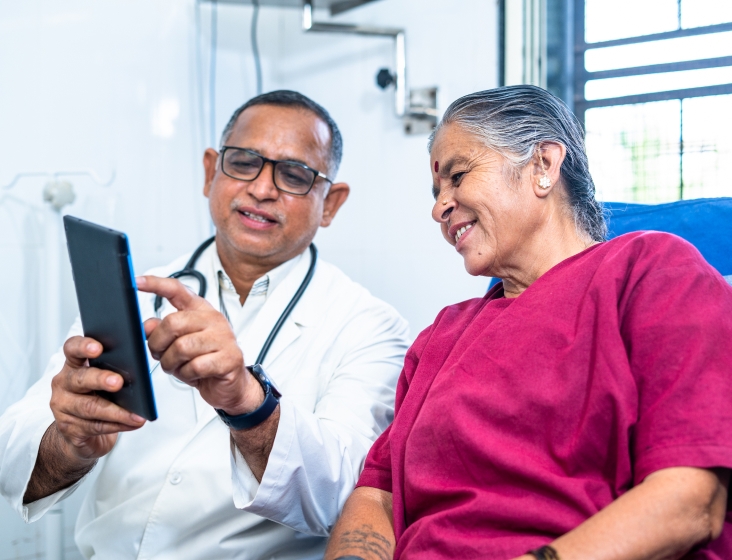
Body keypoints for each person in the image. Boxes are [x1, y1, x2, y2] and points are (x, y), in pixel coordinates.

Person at [324, 85, 732, 560]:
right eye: (437, 193)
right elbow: (377, 494)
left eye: (457, 176)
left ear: (543, 165)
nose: (438, 208)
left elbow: (690, 500)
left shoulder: (651, 271)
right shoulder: (440, 337)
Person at [0, 90, 410, 559]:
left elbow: (343, 500)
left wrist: (245, 401)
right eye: (243, 162)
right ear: (210, 171)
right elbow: (13, 462)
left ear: (331, 203)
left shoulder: (370, 327)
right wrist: (71, 441)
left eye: (294, 175)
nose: (261, 188)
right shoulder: (136, 294)